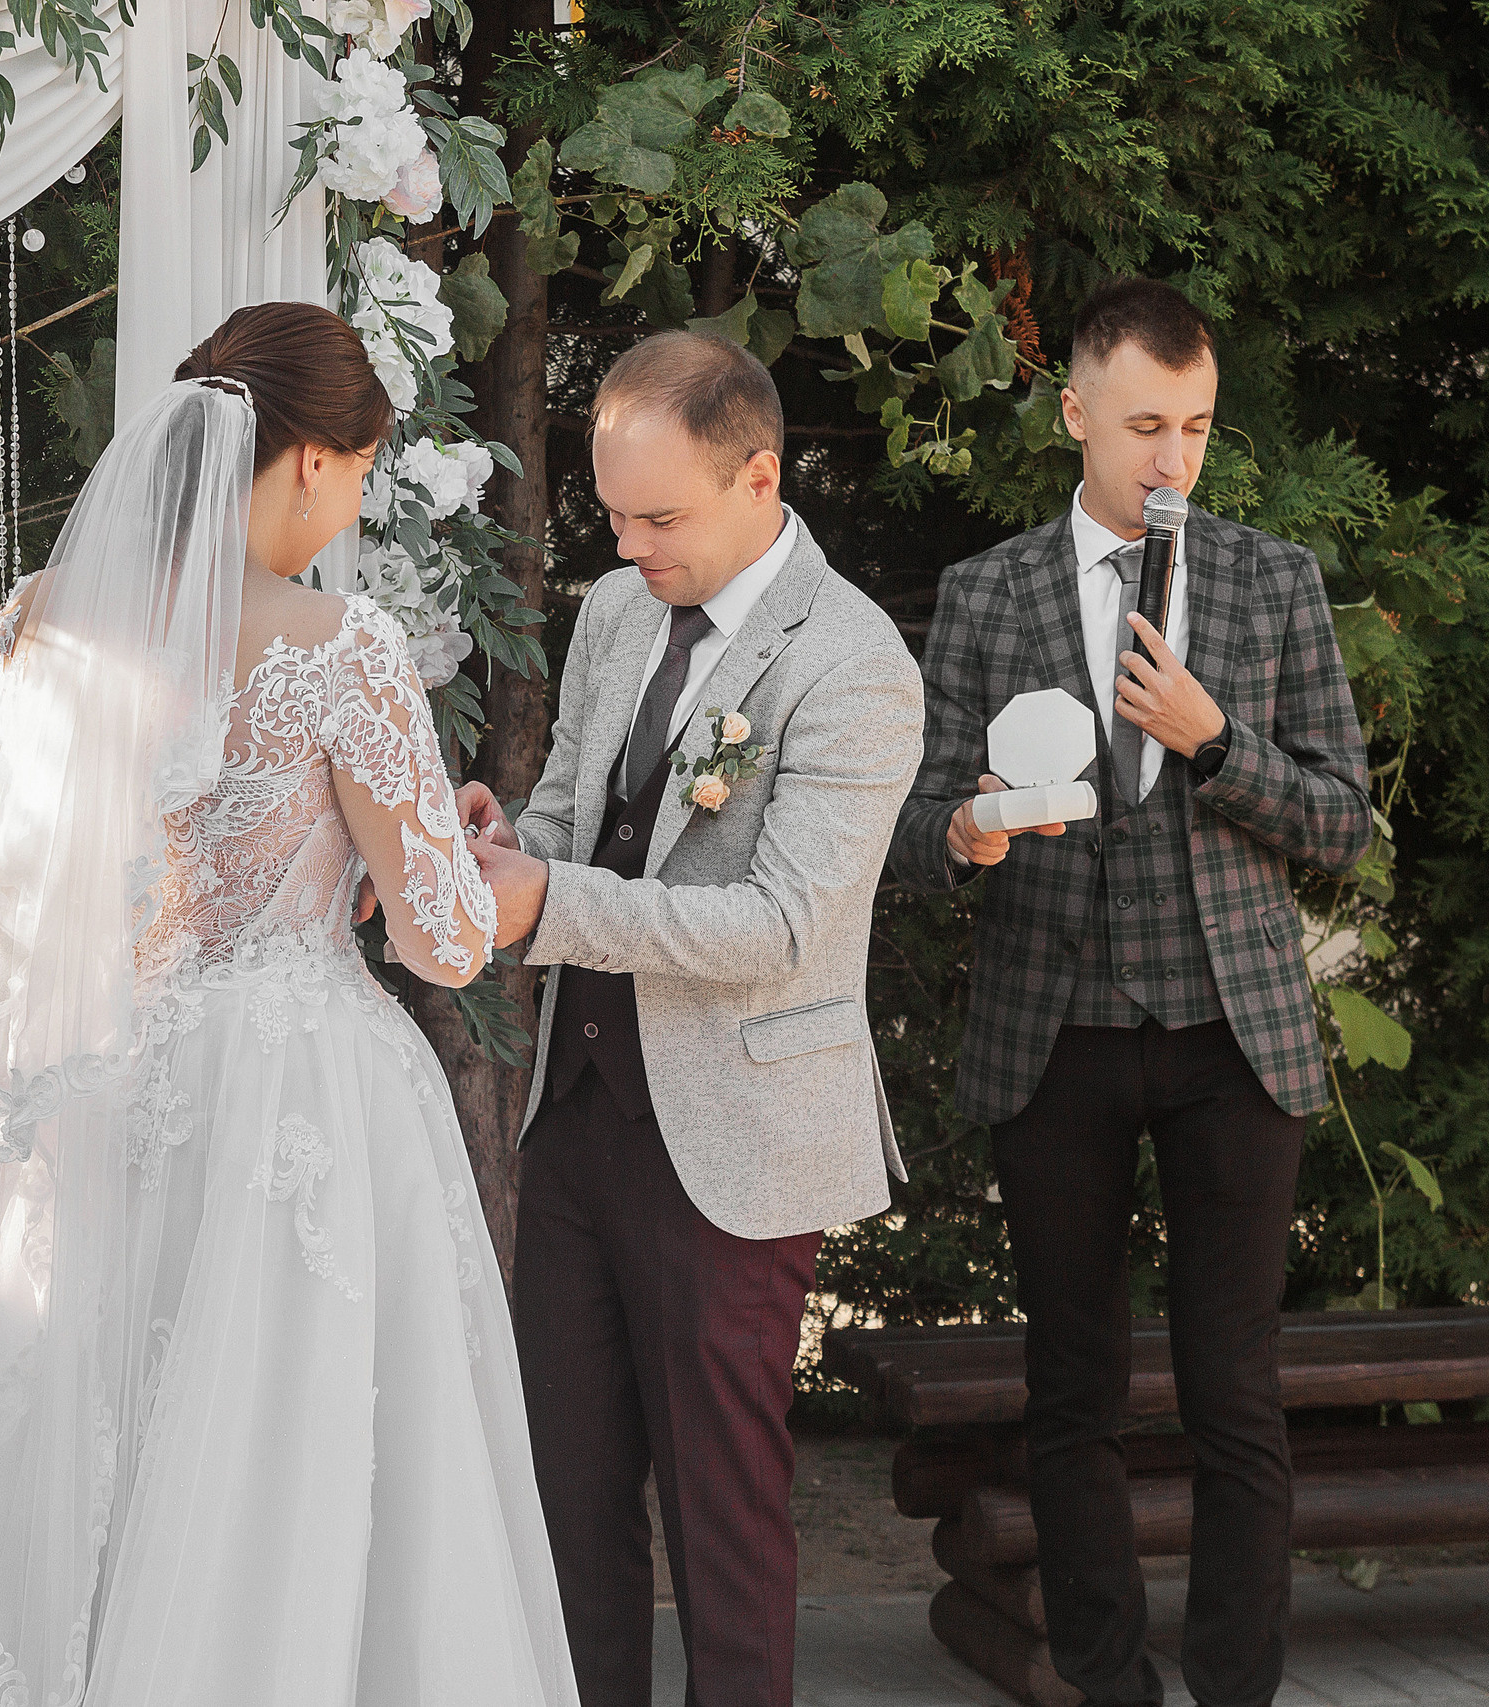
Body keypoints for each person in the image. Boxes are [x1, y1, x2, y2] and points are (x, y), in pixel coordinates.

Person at [0, 302, 578, 1706]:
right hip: (291, 1104)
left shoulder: (41, 624)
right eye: (350, 477)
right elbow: (448, 943)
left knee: (78, 1446)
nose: (341, 512)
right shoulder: (344, 649)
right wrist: (468, 853)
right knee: (275, 1467)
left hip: (82, 1095)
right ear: (304, 467)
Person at [887, 277, 1371, 1707]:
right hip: (1058, 1040)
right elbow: (914, 836)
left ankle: (1237, 1693)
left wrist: (1222, 745)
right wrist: (970, 830)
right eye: (1147, 424)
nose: (1175, 461)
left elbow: (1347, 828)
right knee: (1072, 1399)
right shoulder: (988, 594)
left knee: (1236, 1401)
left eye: (1200, 428)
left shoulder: (1274, 582)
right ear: (1075, 413)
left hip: (1237, 1040)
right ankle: (1108, 1691)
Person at [464, 330, 923, 1707]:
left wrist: (546, 902)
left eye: (659, 516)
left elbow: (780, 931)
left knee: (724, 1523)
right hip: (581, 1124)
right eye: (612, 511)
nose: (630, 541)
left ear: (759, 475)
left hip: (737, 1144)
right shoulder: (616, 610)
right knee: (570, 1497)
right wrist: (500, 842)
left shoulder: (854, 664)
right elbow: (575, 818)